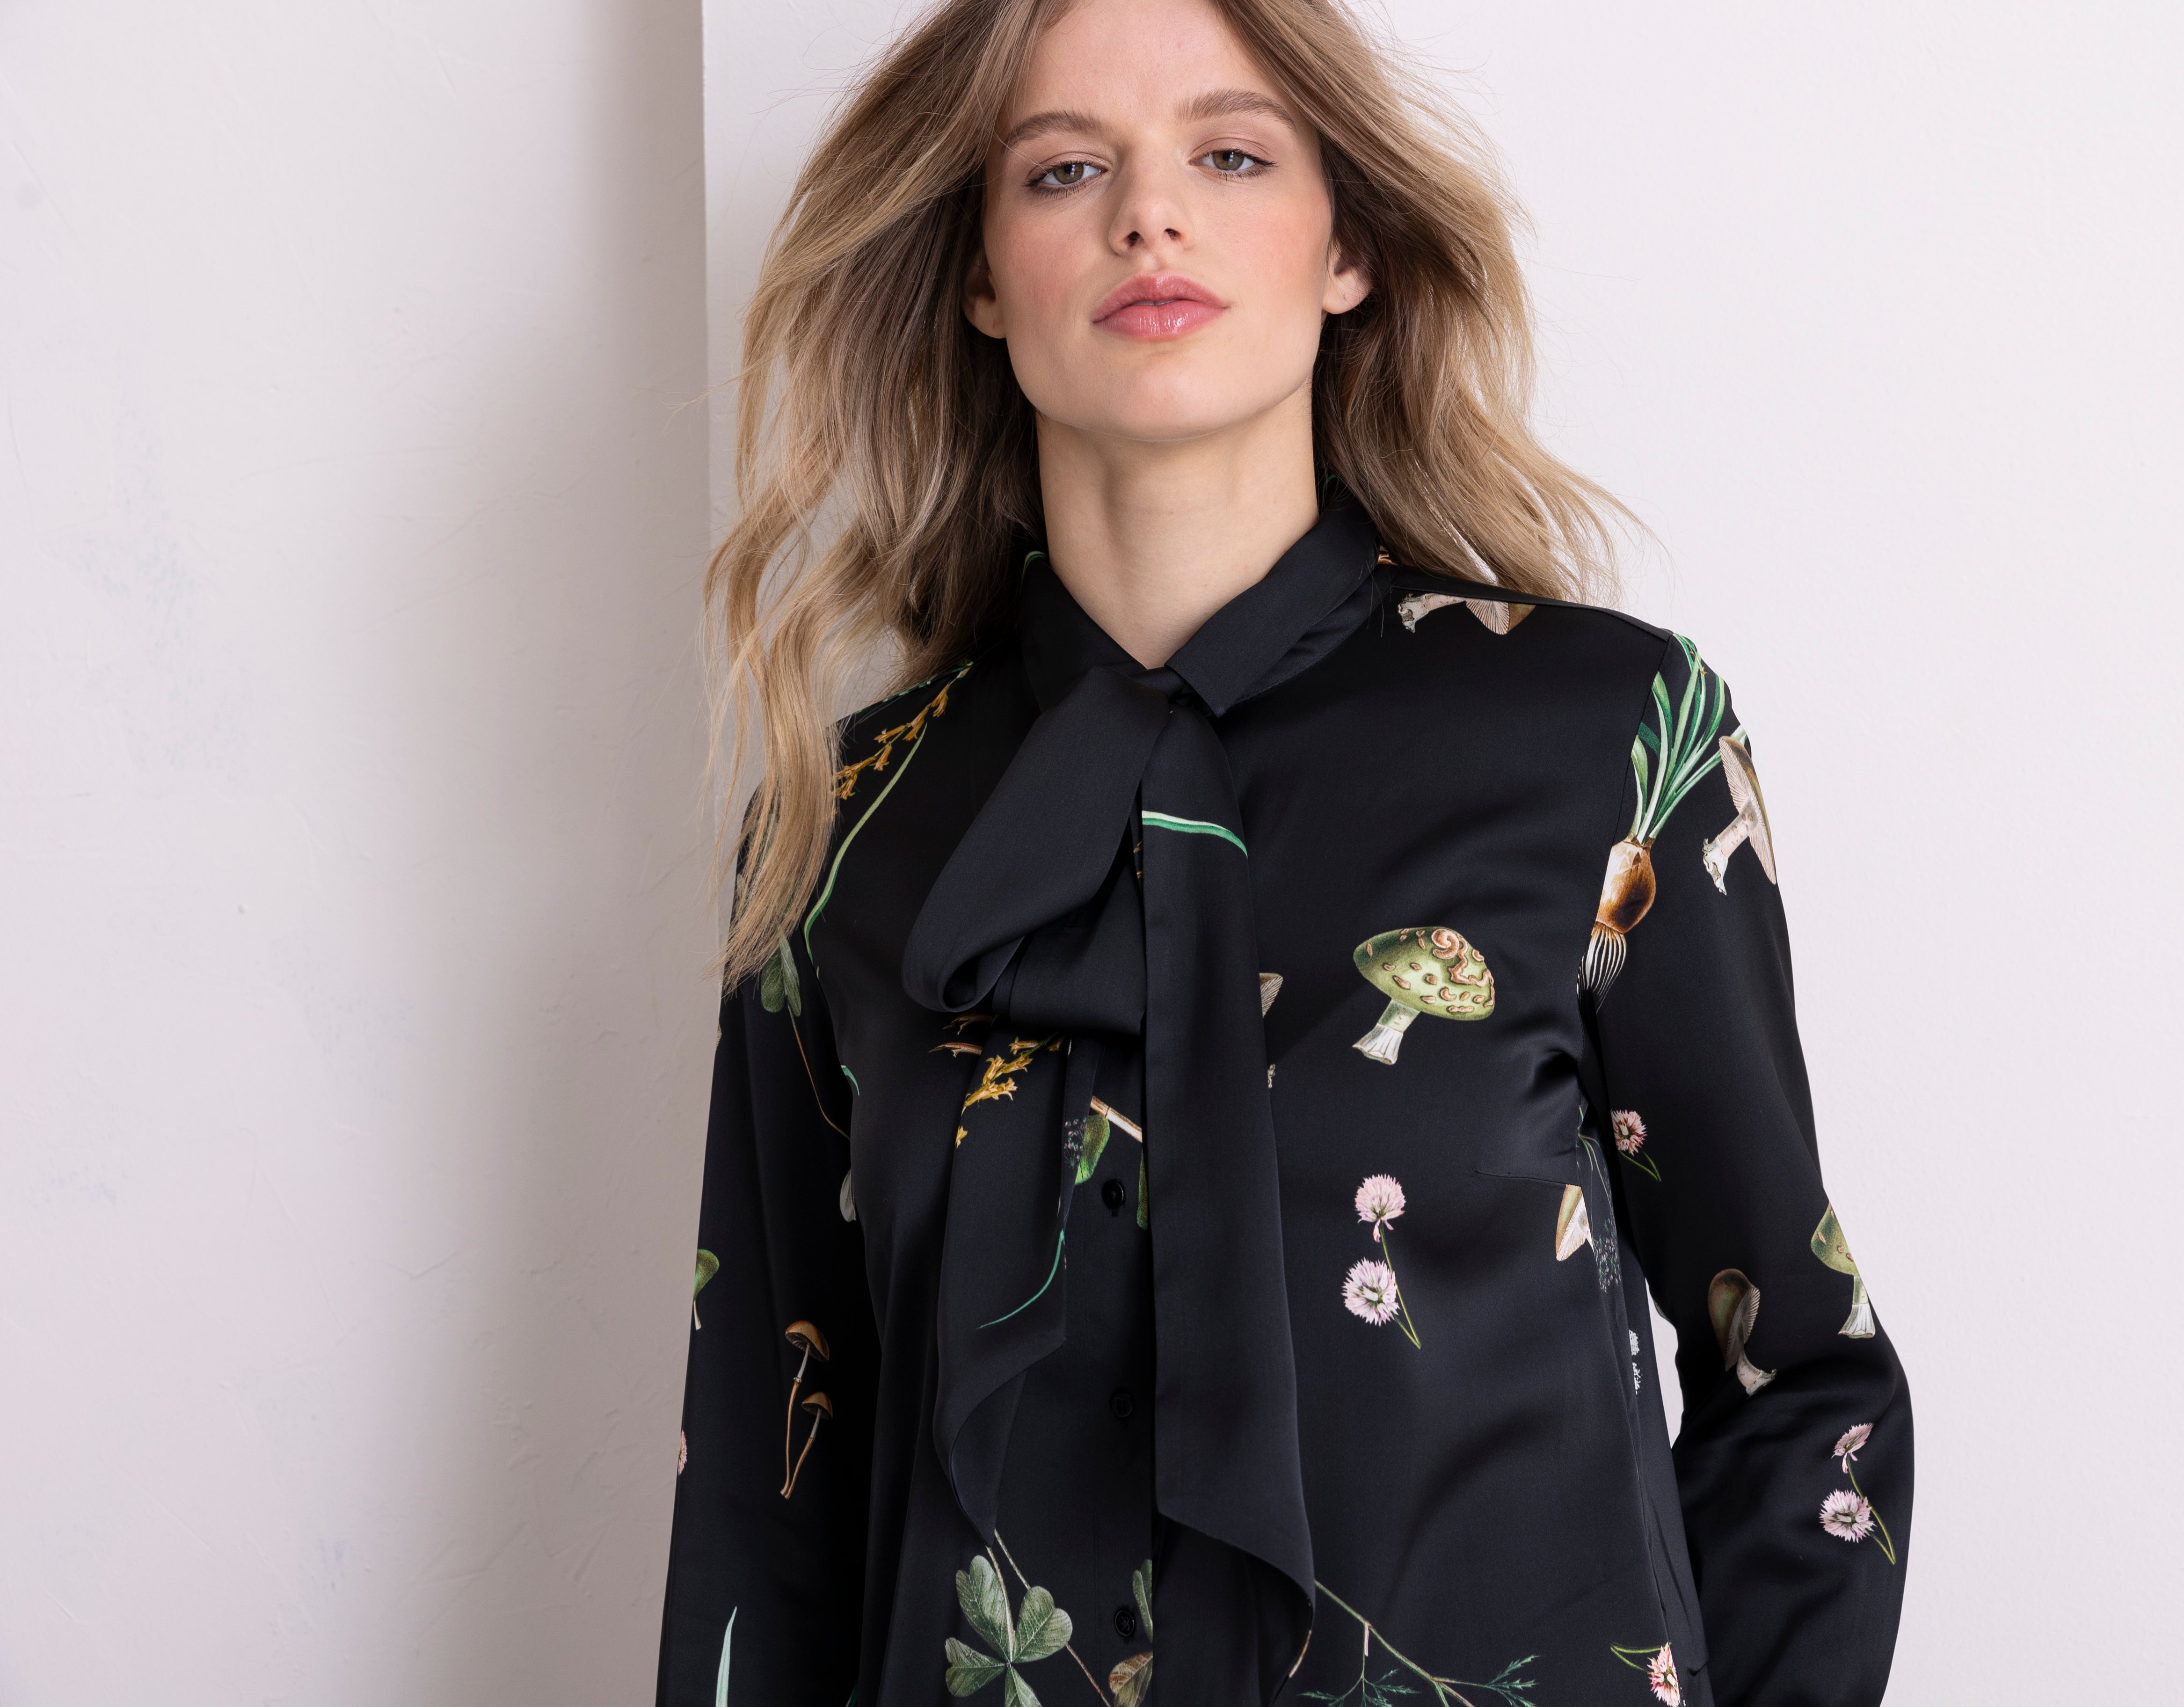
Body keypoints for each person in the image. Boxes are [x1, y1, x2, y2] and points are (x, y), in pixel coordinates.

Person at [656, 0, 1911, 1700]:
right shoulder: (844, 831)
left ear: (1348, 249)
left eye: (1232, 156)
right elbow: (766, 1506)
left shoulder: (1608, 744)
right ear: (980, 277)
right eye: (1064, 171)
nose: (1149, 216)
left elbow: (1807, 1388)